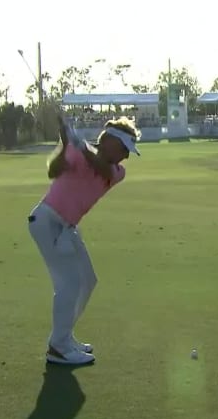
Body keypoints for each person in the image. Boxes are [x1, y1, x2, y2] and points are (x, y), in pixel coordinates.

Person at [27, 115, 141, 365]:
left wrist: (80, 145)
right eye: (125, 149)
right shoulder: (79, 154)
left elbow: (100, 168)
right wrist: (66, 141)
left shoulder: (117, 171)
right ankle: (58, 346)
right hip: (47, 222)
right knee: (68, 285)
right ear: (110, 142)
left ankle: (64, 337)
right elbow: (54, 170)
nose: (127, 156)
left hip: (66, 227)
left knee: (87, 281)